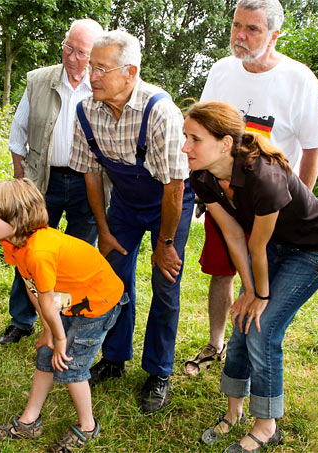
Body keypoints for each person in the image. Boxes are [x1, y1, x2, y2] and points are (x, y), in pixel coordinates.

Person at [184, 0, 318, 377]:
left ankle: (260, 336)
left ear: (274, 35)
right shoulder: (221, 70)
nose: (241, 36)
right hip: (225, 195)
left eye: (252, 29)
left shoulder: (299, 79)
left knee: (264, 269)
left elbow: (312, 147)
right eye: (236, 26)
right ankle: (217, 343)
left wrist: (293, 204)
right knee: (223, 269)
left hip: (270, 201)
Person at [183, 101, 318, 452]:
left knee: (263, 328)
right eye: (185, 137)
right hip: (269, 246)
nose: (185, 147)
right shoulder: (203, 176)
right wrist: (248, 291)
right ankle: (233, 412)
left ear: (225, 143)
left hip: (310, 249)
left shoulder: (263, 175)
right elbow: (234, 235)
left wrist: (259, 295)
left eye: (194, 139)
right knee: (242, 319)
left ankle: (267, 426)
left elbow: (257, 244)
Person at [69, 30, 195, 414]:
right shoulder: (85, 110)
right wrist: (104, 230)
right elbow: (91, 174)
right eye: (92, 67)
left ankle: (158, 371)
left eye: (102, 69)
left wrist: (166, 244)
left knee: (165, 284)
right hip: (123, 204)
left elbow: (175, 184)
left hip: (168, 203)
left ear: (130, 72)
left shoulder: (160, 110)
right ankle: (114, 358)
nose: (92, 76)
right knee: (112, 278)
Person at [0, 178, 125, 452]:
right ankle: (29, 422)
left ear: (17, 218)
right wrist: (49, 330)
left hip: (97, 303)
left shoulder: (39, 251)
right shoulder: (12, 241)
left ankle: (88, 427)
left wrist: (60, 338)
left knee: (71, 364)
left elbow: (47, 299)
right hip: (68, 300)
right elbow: (31, 286)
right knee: (47, 356)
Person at [0, 19, 104, 346]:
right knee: (28, 250)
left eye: (81, 52)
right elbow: (17, 137)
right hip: (43, 181)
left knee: (79, 254)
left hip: (89, 185)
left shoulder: (103, 85)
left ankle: (71, 323)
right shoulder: (39, 81)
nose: (72, 57)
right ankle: (22, 320)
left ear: (95, 55)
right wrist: (22, 183)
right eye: (68, 48)